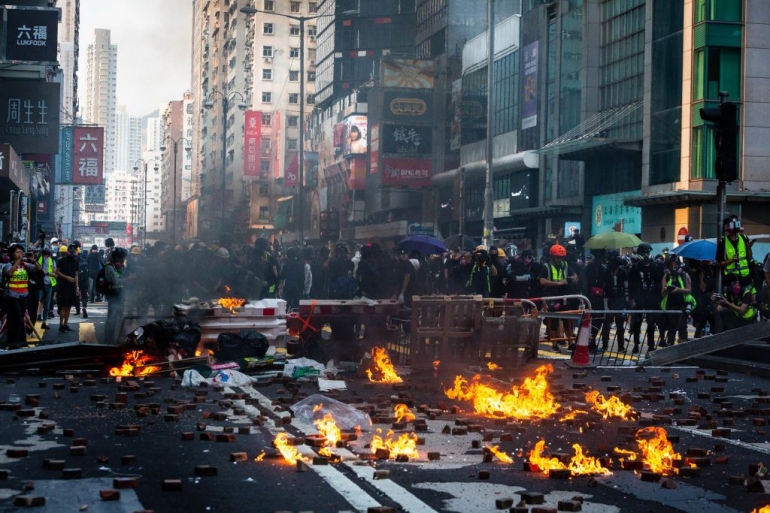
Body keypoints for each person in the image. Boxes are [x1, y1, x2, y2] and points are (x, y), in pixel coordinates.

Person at [539, 244, 579, 351]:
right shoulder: (546, 266)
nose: (560, 259)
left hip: (564, 296)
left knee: (567, 320)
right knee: (553, 321)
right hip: (552, 296)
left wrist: (574, 278)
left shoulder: (565, 265)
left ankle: (571, 343)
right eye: (558, 257)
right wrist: (557, 283)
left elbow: (574, 275)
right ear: (552, 256)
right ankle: (554, 344)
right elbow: (542, 281)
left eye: (562, 257)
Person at [2, 244, 42, 348]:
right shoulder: (9, 264)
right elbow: (9, 273)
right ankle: (13, 341)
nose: (20, 254)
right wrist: (17, 262)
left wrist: (33, 260)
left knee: (21, 319)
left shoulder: (25, 265)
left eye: (21, 252)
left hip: (23, 296)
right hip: (12, 296)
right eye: (17, 252)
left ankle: (20, 341)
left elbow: (37, 269)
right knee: (17, 318)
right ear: (12, 254)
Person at [628, 243, 663, 351]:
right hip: (639, 297)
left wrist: (658, 299)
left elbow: (659, 282)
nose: (646, 255)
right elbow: (631, 284)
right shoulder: (635, 267)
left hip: (651, 298)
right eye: (644, 252)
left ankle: (651, 344)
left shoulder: (655, 266)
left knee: (651, 322)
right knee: (637, 321)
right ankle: (636, 344)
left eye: (648, 252)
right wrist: (632, 299)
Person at [659, 254, 695, 347]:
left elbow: (689, 289)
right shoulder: (666, 276)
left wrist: (679, 290)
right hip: (670, 305)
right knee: (672, 328)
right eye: (671, 264)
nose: (673, 266)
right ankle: (670, 347)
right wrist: (667, 290)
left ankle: (683, 350)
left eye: (675, 264)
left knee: (683, 327)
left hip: (682, 305)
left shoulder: (684, 275)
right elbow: (662, 293)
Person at [716, 215, 753, 288]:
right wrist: (731, 261)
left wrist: (749, 247)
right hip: (731, 280)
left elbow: (749, 258)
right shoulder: (723, 242)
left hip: (745, 278)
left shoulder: (744, 237)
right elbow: (719, 263)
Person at [104, 247, 127, 344]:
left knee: (120, 317)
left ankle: (118, 338)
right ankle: (108, 340)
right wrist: (129, 279)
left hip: (119, 295)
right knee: (112, 319)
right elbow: (116, 281)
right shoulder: (109, 267)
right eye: (121, 259)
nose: (122, 261)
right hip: (113, 296)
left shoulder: (118, 267)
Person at [55, 243, 80, 333]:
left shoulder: (76, 261)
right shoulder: (62, 260)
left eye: (75, 250)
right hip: (63, 286)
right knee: (63, 306)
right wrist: (66, 277)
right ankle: (61, 325)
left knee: (69, 306)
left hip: (72, 287)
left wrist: (77, 288)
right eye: (73, 250)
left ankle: (66, 324)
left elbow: (76, 275)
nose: (75, 252)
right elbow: (56, 272)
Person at [36, 247, 57, 330]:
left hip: (49, 284)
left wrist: (49, 273)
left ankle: (44, 322)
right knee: (38, 301)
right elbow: (37, 268)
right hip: (41, 284)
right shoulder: (40, 258)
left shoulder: (52, 260)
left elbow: (54, 271)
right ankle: (37, 317)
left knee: (47, 305)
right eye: (45, 254)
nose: (46, 256)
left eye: (47, 254)